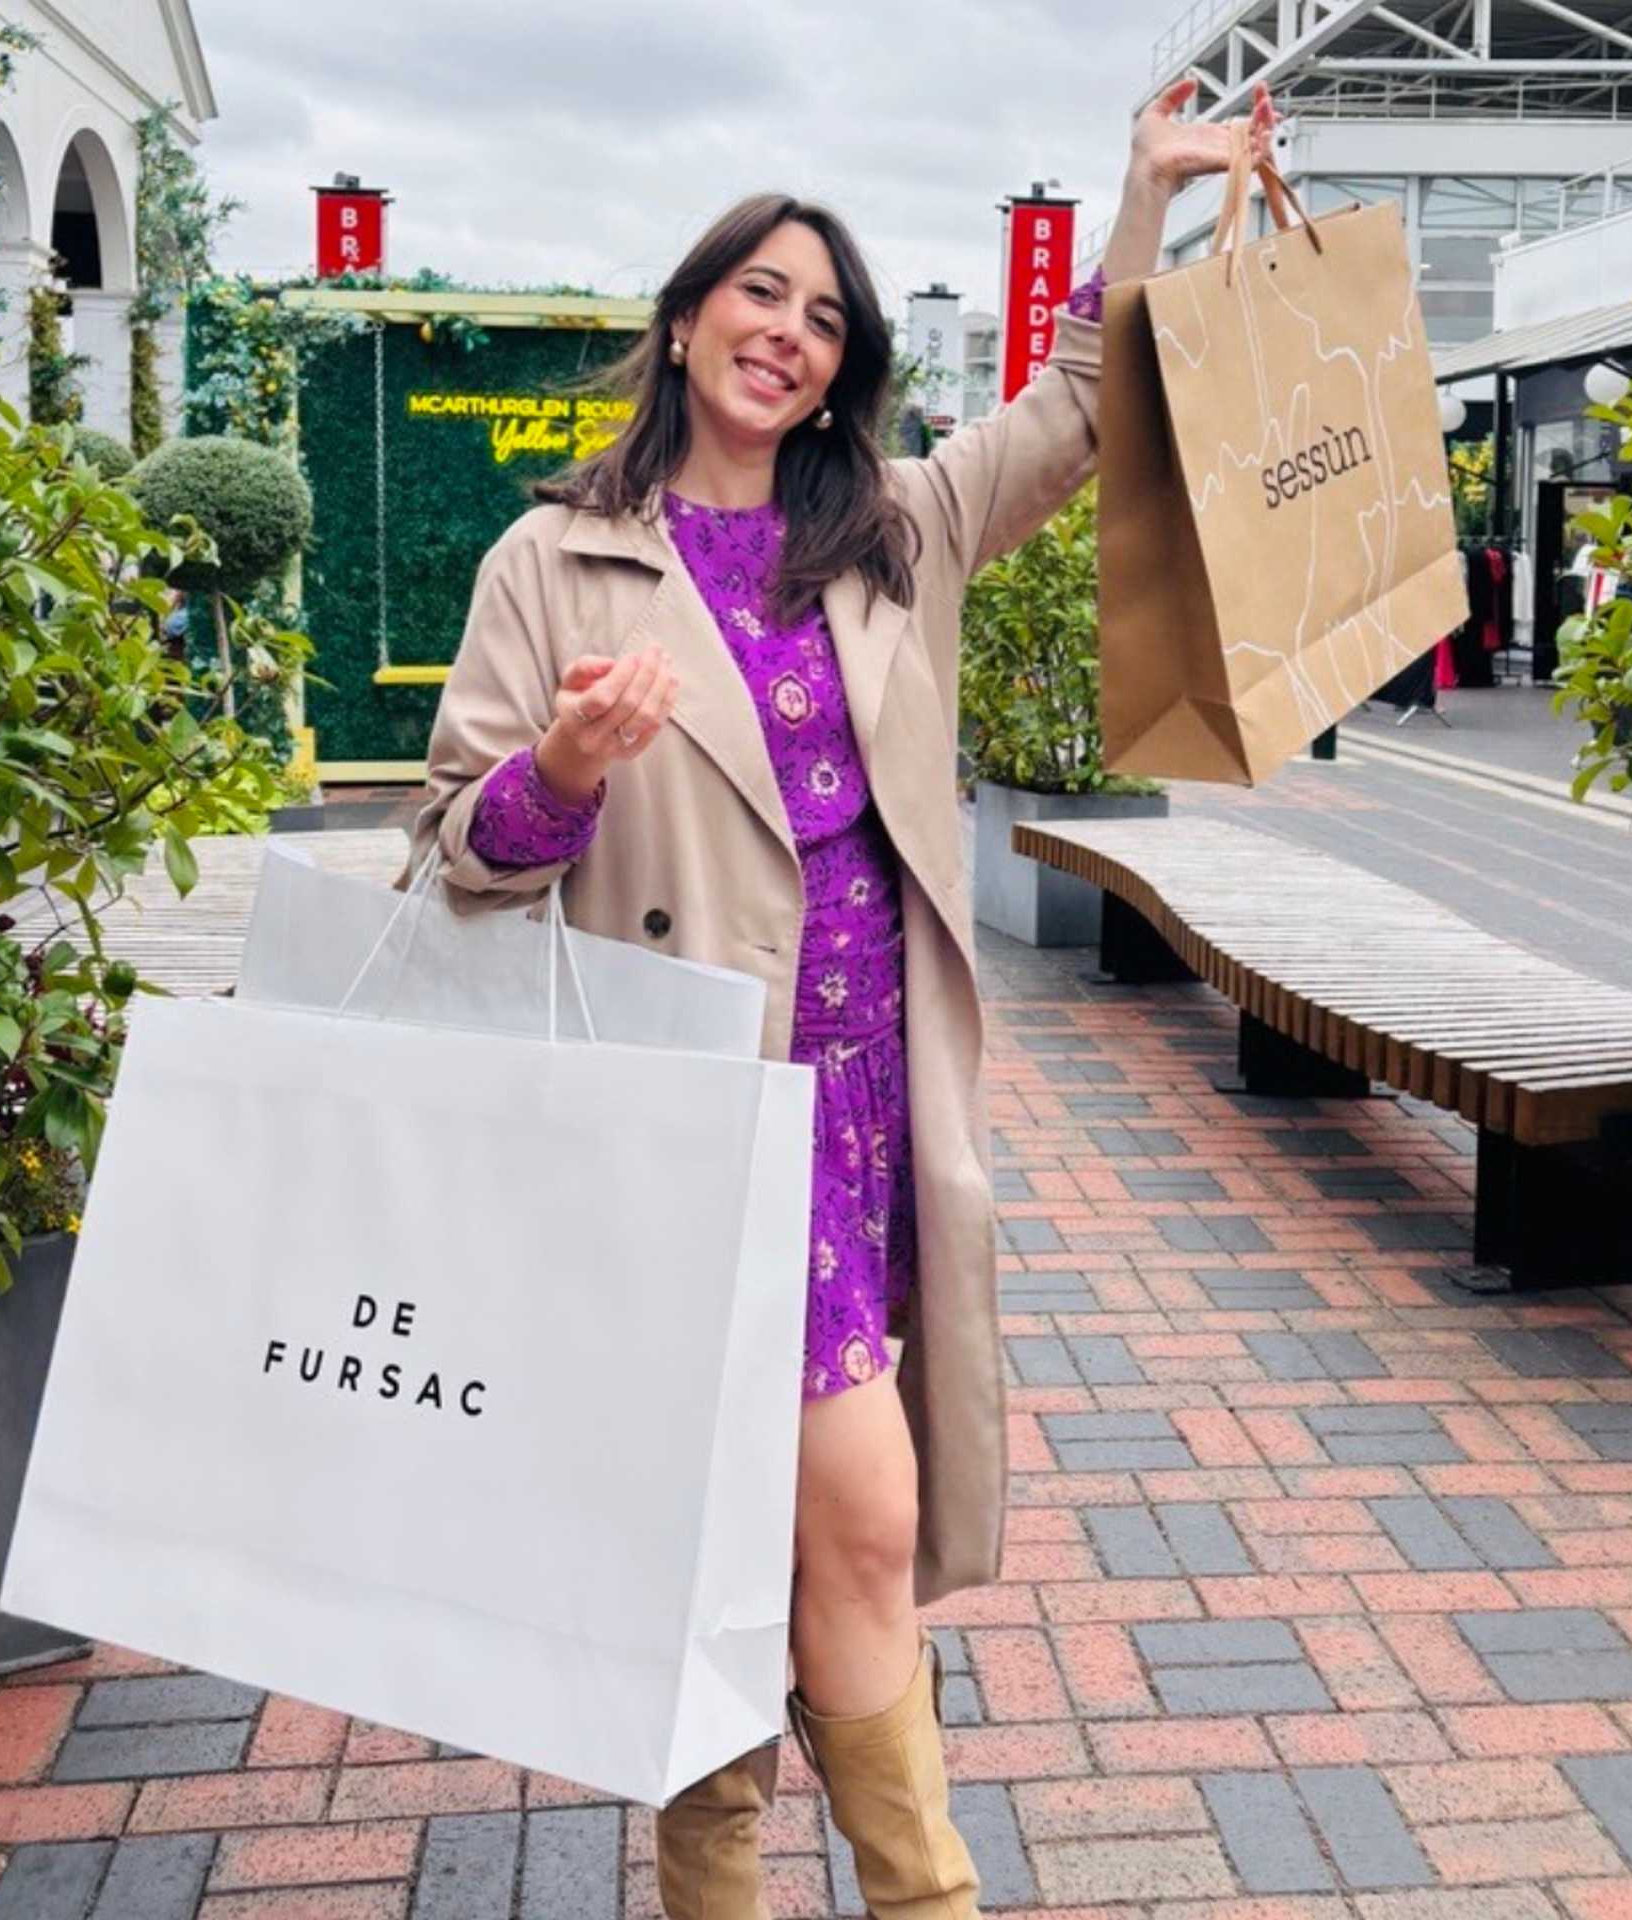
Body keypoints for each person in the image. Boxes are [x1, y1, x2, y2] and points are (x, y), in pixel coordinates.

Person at [411, 79, 1274, 1920]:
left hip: (870, 1106)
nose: (787, 334)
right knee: (826, 1530)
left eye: (823, 317)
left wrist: (1145, 197)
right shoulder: (549, 561)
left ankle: (796, 1883)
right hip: (694, 1120)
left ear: (840, 368)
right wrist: (564, 769)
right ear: (683, 319)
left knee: (798, 1537)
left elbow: (1081, 407)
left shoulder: (895, 528)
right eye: (759, 293)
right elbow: (456, 854)